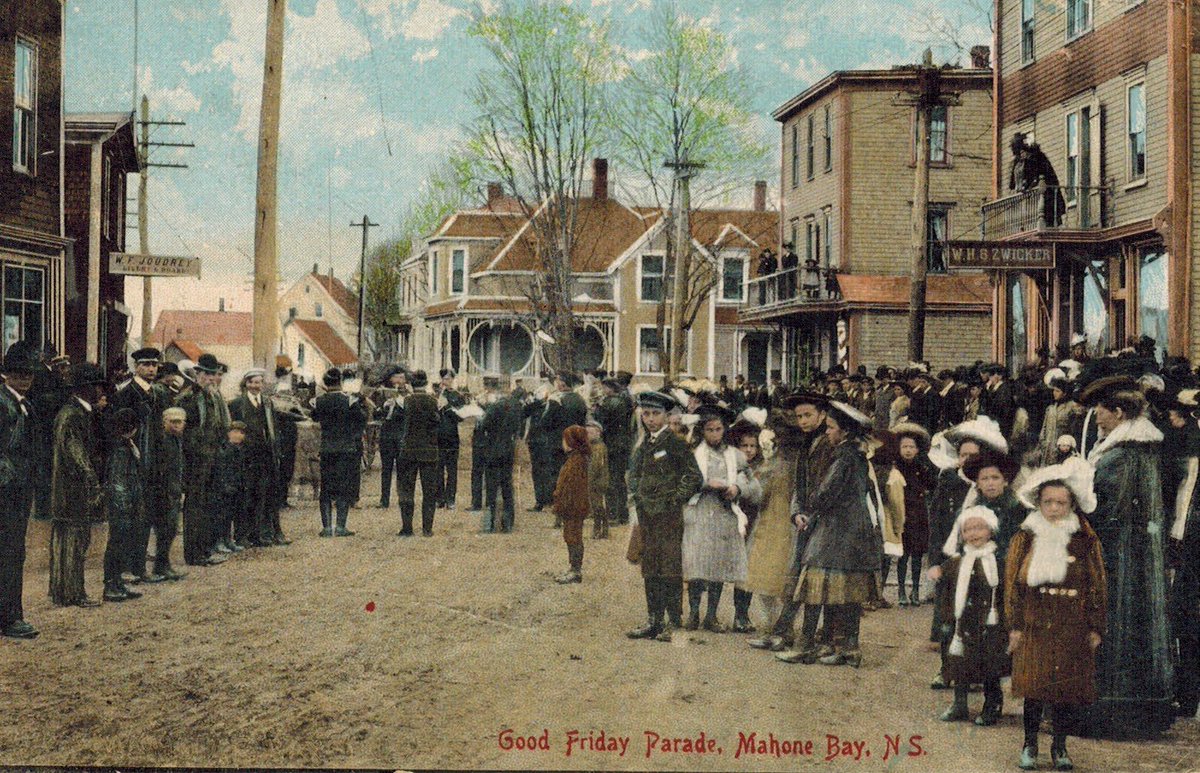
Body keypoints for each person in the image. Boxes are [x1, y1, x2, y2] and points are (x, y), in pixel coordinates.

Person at [1079, 376, 1174, 738]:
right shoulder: (1142, 447)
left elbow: (1104, 509)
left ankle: (1112, 712)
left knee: (1115, 624)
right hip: (1140, 554)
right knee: (1139, 626)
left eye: (1100, 411)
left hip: (1119, 555)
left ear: (1118, 412)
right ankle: (1144, 709)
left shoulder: (1120, 455)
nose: (1096, 418)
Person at [1006, 457, 1106, 771]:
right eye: (1047, 502)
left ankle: (1060, 746)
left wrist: (1095, 626)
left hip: (1071, 625)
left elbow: (1097, 584)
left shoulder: (1085, 540)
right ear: (1038, 503)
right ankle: (1029, 743)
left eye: (1061, 503)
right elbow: (1012, 585)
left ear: (1072, 504)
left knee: (1065, 690)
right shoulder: (1026, 537)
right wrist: (1015, 625)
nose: (1053, 508)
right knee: (1033, 688)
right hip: (1035, 623)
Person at [790, 401, 880, 667]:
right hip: (856, 532)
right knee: (849, 591)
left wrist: (808, 505)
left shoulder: (843, 458)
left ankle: (805, 646)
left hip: (835, 531)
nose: (827, 432)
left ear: (844, 432)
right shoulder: (858, 457)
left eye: (831, 428)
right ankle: (849, 648)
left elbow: (825, 494)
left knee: (815, 585)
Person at [754, 392, 835, 660]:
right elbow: (801, 484)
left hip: (822, 520)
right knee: (796, 575)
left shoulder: (827, 443)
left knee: (811, 580)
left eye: (808, 415)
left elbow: (824, 485)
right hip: (803, 518)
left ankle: (806, 638)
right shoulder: (807, 443)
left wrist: (809, 511)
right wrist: (797, 511)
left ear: (822, 415)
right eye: (799, 416)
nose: (803, 421)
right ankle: (783, 631)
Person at [626, 391, 703, 643]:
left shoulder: (674, 442)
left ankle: (673, 622)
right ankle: (653, 620)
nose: (650, 419)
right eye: (646, 414)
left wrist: (675, 498)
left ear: (666, 415)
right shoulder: (644, 443)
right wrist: (637, 493)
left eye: (655, 414)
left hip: (668, 517)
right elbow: (634, 474)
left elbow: (694, 477)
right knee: (650, 567)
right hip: (647, 515)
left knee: (669, 567)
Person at [682, 404, 761, 632]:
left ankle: (712, 615)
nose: (715, 434)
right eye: (710, 430)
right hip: (699, 512)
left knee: (718, 564)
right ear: (702, 431)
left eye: (718, 429)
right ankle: (694, 613)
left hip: (724, 514)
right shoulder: (694, 454)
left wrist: (737, 488)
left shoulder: (735, 456)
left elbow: (753, 484)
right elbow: (683, 481)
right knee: (697, 563)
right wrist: (706, 484)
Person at [937, 505, 1010, 727]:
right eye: (968, 530)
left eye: (979, 528)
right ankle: (960, 703)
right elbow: (946, 592)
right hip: (963, 623)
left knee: (990, 665)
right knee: (960, 663)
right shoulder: (955, 562)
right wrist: (946, 619)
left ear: (991, 530)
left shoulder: (998, 562)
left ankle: (992, 704)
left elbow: (1005, 594)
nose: (974, 534)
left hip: (989, 624)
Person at [109, 347, 171, 583]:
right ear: (137, 367)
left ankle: (139, 567)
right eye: (146, 365)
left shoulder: (158, 393)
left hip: (154, 462)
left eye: (154, 365)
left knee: (147, 515)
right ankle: (128, 568)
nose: (151, 369)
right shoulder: (126, 394)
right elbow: (119, 429)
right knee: (132, 515)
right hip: (133, 462)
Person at [49, 363, 107, 608]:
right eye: (96, 386)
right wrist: (91, 479)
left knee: (71, 541)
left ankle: (66, 592)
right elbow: (75, 452)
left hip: (70, 489)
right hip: (72, 490)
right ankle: (72, 593)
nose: (100, 390)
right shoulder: (73, 415)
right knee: (74, 541)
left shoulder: (79, 412)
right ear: (86, 388)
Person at [0, 344, 40, 637]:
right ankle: (9, 618)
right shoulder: (5, 404)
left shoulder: (23, 404)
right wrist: (12, 479)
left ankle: (12, 614)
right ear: (7, 374)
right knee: (10, 553)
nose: (25, 379)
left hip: (18, 489)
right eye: (18, 373)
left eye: (28, 374)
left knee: (14, 553)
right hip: (8, 492)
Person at [178, 353, 228, 567]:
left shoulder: (213, 397)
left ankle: (205, 549)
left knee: (209, 505)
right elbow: (184, 432)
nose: (209, 378)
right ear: (196, 373)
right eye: (205, 374)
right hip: (195, 460)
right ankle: (193, 553)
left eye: (212, 374)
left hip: (212, 457)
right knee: (195, 506)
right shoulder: (187, 398)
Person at [227, 368, 281, 547]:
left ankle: (260, 533)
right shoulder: (236, 404)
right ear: (246, 384)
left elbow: (272, 428)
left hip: (264, 457)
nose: (255, 386)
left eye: (258, 382)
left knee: (262, 494)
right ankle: (242, 535)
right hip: (245, 457)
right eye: (252, 382)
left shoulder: (267, 404)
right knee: (245, 496)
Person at [312, 367, 368, 537]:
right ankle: (341, 527)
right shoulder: (350, 401)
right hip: (346, 449)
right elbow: (362, 418)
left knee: (326, 488)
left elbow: (314, 417)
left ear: (325, 383)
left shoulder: (318, 401)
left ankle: (327, 527)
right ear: (341, 382)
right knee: (344, 488)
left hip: (327, 448)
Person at [102, 409, 145, 602]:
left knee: (121, 544)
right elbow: (118, 482)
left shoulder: (126, 446)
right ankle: (111, 585)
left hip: (127, 502)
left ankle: (117, 583)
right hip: (122, 505)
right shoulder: (121, 450)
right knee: (117, 544)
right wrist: (125, 505)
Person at [728, 419, 766, 632]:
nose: (749, 450)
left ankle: (741, 614)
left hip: (753, 520)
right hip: (734, 518)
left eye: (753, 446)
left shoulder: (761, 467)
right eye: (745, 446)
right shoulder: (733, 465)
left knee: (747, 569)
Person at [893, 422, 936, 606]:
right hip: (902, 515)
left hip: (918, 515)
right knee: (903, 555)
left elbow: (933, 485)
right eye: (905, 447)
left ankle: (916, 590)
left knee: (917, 555)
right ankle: (901, 590)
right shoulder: (895, 468)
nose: (908, 450)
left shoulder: (922, 467)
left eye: (912, 447)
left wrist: (927, 468)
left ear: (918, 449)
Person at [396, 370, 441, 537]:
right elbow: (437, 423)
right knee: (429, 491)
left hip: (408, 451)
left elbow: (399, 423)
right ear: (426, 383)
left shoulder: (405, 401)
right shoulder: (434, 401)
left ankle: (407, 527)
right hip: (429, 451)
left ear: (411, 384)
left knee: (406, 490)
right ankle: (427, 529)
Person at [477, 376, 523, 533]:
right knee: (507, 486)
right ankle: (508, 522)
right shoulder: (516, 405)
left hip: (493, 448)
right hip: (509, 448)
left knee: (491, 486)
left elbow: (483, 425)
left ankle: (489, 523)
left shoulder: (495, 406)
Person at [153, 407, 189, 581]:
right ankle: (160, 566)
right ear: (164, 422)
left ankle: (164, 564)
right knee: (165, 529)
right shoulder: (163, 441)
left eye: (179, 422)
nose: (176, 425)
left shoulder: (178, 440)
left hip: (174, 491)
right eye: (172, 422)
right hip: (164, 492)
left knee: (171, 529)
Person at [553, 426, 591, 584]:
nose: (563, 443)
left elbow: (571, 487)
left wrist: (562, 504)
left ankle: (575, 570)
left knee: (573, 537)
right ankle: (573, 568)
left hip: (573, 507)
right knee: (571, 536)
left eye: (565, 439)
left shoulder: (576, 462)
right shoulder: (575, 459)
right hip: (573, 506)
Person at [595, 377, 633, 524]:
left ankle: (612, 514)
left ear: (610, 388)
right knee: (620, 480)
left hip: (612, 445)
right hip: (623, 444)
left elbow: (603, 423)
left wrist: (597, 409)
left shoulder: (609, 402)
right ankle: (623, 514)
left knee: (611, 480)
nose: (603, 391)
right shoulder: (624, 401)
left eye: (604, 388)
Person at [212, 422, 249, 553]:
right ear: (229, 433)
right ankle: (219, 541)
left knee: (230, 515)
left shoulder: (239, 449)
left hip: (235, 487)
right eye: (236, 432)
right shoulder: (224, 449)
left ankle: (228, 540)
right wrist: (225, 485)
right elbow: (221, 470)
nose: (239, 436)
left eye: (242, 433)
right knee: (221, 515)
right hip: (225, 488)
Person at [434, 368, 465, 509]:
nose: (445, 381)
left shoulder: (458, 396)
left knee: (452, 470)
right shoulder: (437, 394)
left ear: (452, 379)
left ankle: (450, 499)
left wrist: (447, 406)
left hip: (452, 436)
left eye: (447, 379)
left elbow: (460, 417)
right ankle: (439, 498)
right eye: (443, 379)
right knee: (438, 469)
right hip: (438, 436)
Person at [377, 370, 406, 509]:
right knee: (386, 469)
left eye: (401, 378)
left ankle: (402, 498)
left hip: (400, 435)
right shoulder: (383, 394)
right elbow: (376, 414)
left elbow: (409, 414)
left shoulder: (408, 395)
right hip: (386, 435)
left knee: (402, 469)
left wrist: (399, 404)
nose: (398, 381)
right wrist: (384, 407)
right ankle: (384, 499)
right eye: (396, 377)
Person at [586, 420, 609, 539]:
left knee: (597, 506)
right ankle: (604, 530)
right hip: (597, 480)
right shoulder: (595, 446)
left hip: (597, 481)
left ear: (598, 433)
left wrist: (589, 480)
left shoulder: (598, 448)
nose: (587, 435)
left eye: (590, 432)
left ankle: (598, 529)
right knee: (598, 506)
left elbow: (595, 466)